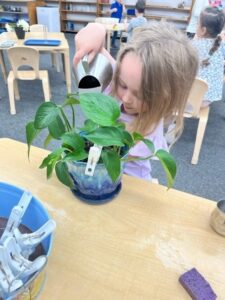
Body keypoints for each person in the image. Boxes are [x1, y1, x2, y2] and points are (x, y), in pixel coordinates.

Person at [73, 22, 198, 180]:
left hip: (133, 179)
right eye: (122, 85)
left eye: (142, 95)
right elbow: (92, 41)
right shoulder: (117, 78)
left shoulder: (150, 126)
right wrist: (97, 29)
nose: (126, 98)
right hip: (100, 173)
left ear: (167, 99)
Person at [192, 6, 225, 106]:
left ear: (203, 30)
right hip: (208, 100)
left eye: (197, 23)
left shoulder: (193, 46)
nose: (195, 26)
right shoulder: (222, 45)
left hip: (188, 99)